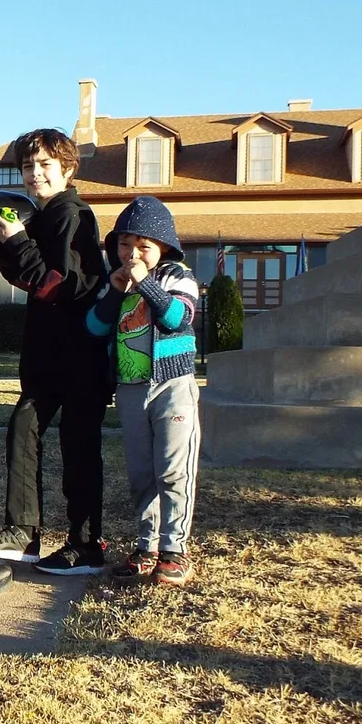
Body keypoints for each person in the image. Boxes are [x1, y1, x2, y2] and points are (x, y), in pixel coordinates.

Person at [0, 128, 112, 575]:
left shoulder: (73, 215)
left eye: (45, 165)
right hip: (51, 360)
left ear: (68, 170)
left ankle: (86, 546)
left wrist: (16, 242)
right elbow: (29, 276)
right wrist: (15, 242)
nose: (35, 174)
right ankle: (23, 534)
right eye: (28, 167)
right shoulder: (43, 217)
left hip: (80, 360)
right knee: (24, 431)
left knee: (79, 451)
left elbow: (62, 285)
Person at [88, 196, 201, 586]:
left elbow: (176, 317)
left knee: (172, 470)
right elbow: (95, 327)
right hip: (131, 388)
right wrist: (118, 291)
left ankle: (175, 550)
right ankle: (146, 546)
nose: (131, 254)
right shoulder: (116, 282)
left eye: (143, 247)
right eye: (124, 244)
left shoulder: (177, 276)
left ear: (164, 248)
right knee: (141, 473)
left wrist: (145, 282)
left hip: (172, 386)